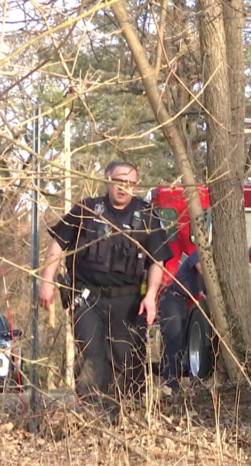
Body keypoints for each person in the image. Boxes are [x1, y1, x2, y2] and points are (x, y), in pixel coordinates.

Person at [38, 161, 174, 422]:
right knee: (91, 356)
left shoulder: (146, 215)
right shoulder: (87, 210)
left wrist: (151, 296)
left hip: (129, 299)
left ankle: (128, 416)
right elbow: (57, 245)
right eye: (119, 181)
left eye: (130, 183)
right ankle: (93, 418)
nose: (124, 188)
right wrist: (46, 282)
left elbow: (158, 260)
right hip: (89, 298)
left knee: (127, 358)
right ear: (108, 181)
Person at [158, 250, 204, 392]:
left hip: (182, 301)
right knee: (174, 338)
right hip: (171, 298)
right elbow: (202, 270)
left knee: (182, 342)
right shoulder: (198, 254)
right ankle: (170, 383)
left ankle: (177, 380)